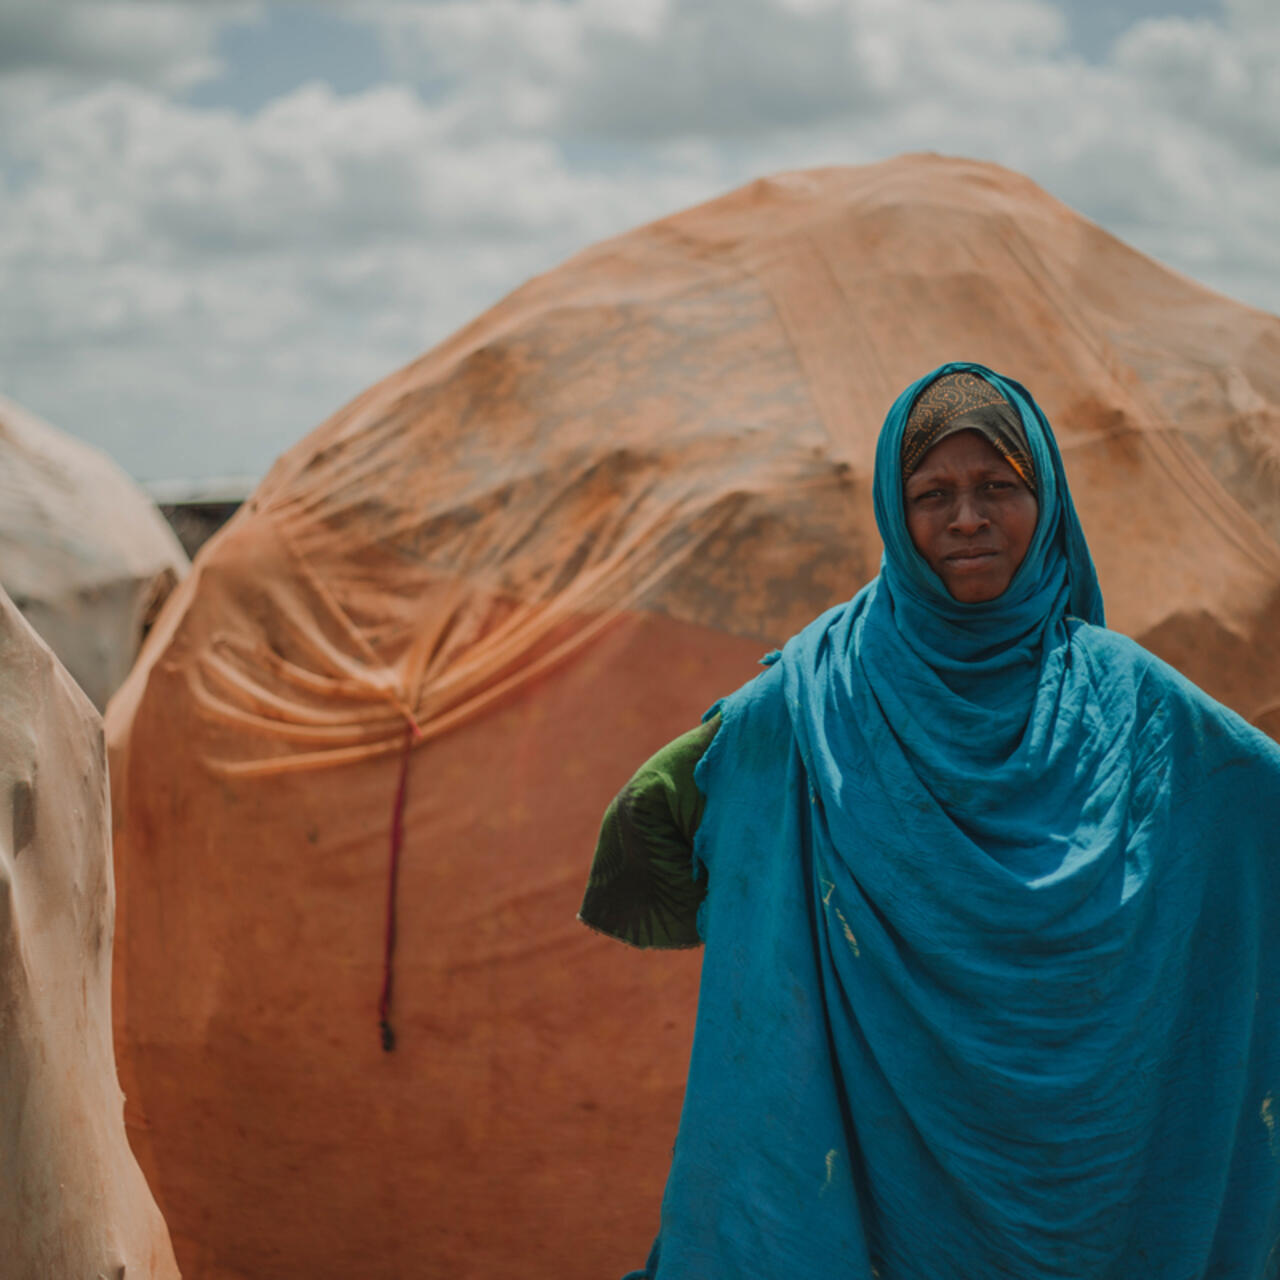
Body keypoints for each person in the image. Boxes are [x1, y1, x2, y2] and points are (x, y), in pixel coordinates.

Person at [579, 363, 1280, 1278]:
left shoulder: (1133, 702)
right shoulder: (815, 698)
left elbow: (1252, 800)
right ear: (892, 511)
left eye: (999, 487)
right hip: (878, 1175)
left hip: (1100, 1169)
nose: (966, 519)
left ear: (1048, 500)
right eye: (931, 494)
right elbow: (652, 820)